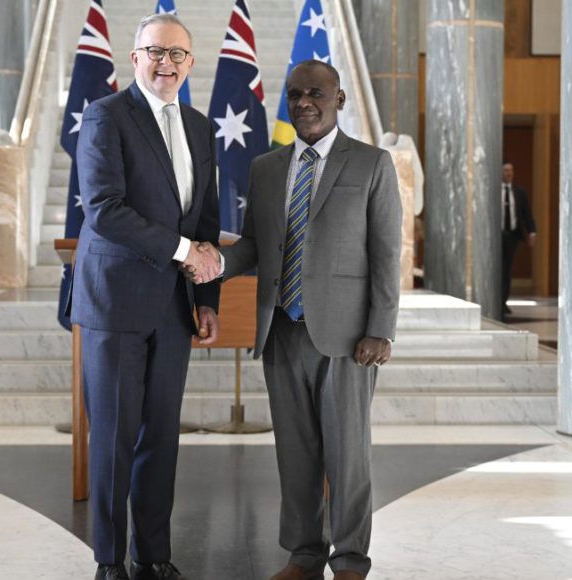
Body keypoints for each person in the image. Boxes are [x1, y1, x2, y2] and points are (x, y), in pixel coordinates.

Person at [190, 60, 401, 580]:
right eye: (294, 94)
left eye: (315, 93)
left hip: (348, 337)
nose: (304, 103)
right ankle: (304, 555)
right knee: (295, 452)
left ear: (339, 99)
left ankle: (350, 560)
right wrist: (216, 261)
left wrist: (381, 329)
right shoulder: (266, 168)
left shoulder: (372, 164)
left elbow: (386, 253)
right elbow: (255, 245)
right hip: (281, 328)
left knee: (348, 455)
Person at [70, 13, 220, 580]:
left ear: (190, 64)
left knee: (161, 437)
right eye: (155, 52)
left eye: (177, 54)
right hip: (115, 304)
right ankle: (109, 561)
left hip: (174, 308)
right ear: (135, 58)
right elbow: (104, 209)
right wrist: (185, 252)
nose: (166, 63)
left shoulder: (200, 127)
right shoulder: (106, 116)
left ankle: (153, 556)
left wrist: (207, 299)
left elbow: (205, 218)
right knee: (113, 439)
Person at [500, 161, 536, 317]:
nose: (509, 173)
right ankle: (495, 300)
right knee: (498, 269)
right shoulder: (495, 192)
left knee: (507, 269)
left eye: (511, 170)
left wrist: (532, 232)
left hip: (513, 235)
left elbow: (527, 214)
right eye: (506, 170)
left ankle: (503, 302)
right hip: (498, 236)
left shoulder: (519, 192)